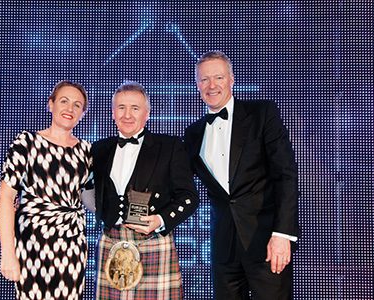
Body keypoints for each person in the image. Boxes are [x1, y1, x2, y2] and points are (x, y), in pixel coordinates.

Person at [184, 51, 298, 299]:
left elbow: (286, 175)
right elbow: (179, 184)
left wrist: (282, 235)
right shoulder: (193, 134)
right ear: (197, 85)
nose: (211, 85)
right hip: (224, 250)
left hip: (267, 243)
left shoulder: (262, 113)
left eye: (218, 77)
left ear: (231, 79)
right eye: (204, 80)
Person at [91, 81, 199, 299]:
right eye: (121, 108)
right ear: (113, 113)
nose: (127, 115)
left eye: (135, 108)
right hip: (111, 242)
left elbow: (189, 197)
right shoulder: (99, 149)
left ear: (147, 114)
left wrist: (160, 220)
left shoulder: (169, 146)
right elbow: (81, 186)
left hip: (152, 243)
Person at [0, 80, 92, 299]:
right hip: (32, 242)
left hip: (72, 245)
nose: (70, 109)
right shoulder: (27, 142)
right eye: (64, 101)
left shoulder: (86, 150)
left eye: (77, 105)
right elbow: (6, 199)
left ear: (83, 113)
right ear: (51, 104)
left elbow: (90, 198)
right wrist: (8, 254)